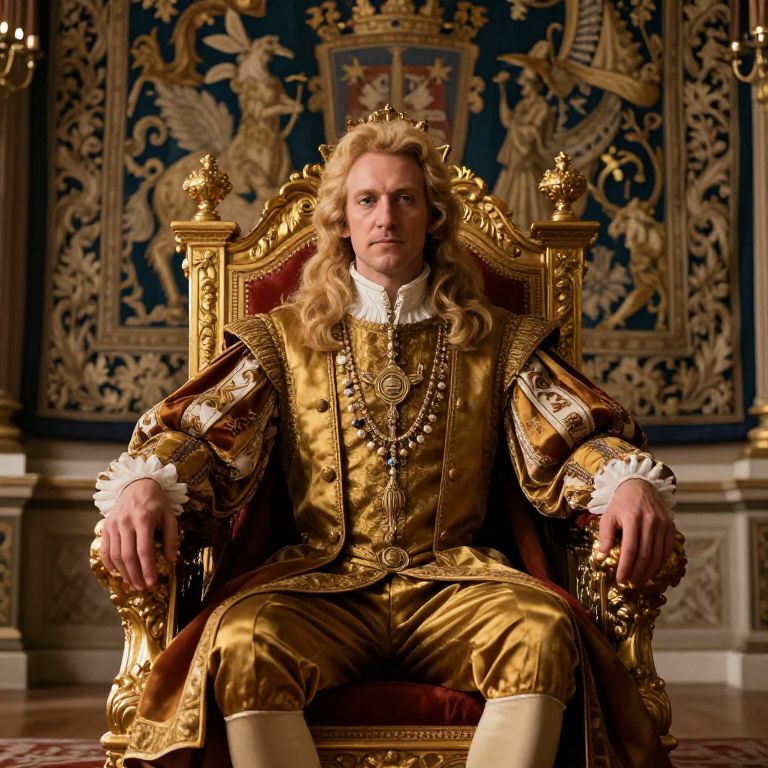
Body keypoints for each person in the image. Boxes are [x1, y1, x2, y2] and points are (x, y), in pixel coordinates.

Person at [95, 106, 676, 768]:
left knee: (543, 634)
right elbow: (200, 434)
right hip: (321, 585)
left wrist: (626, 481)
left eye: (405, 198)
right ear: (341, 218)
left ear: (432, 216)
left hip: (458, 586)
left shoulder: (496, 337)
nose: (385, 216)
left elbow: (572, 436)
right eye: (366, 199)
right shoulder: (284, 340)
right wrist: (145, 482)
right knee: (243, 641)